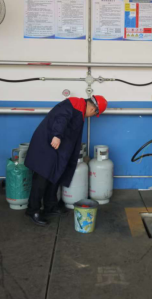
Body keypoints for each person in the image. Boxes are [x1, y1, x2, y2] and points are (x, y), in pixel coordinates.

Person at [25, 95, 108, 226]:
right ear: (93, 110)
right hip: (48, 145)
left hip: (57, 149)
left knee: (55, 176)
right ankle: (33, 210)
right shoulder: (74, 104)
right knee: (41, 178)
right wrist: (57, 135)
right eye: (93, 114)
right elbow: (61, 118)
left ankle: (50, 206)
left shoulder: (80, 109)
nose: (91, 116)